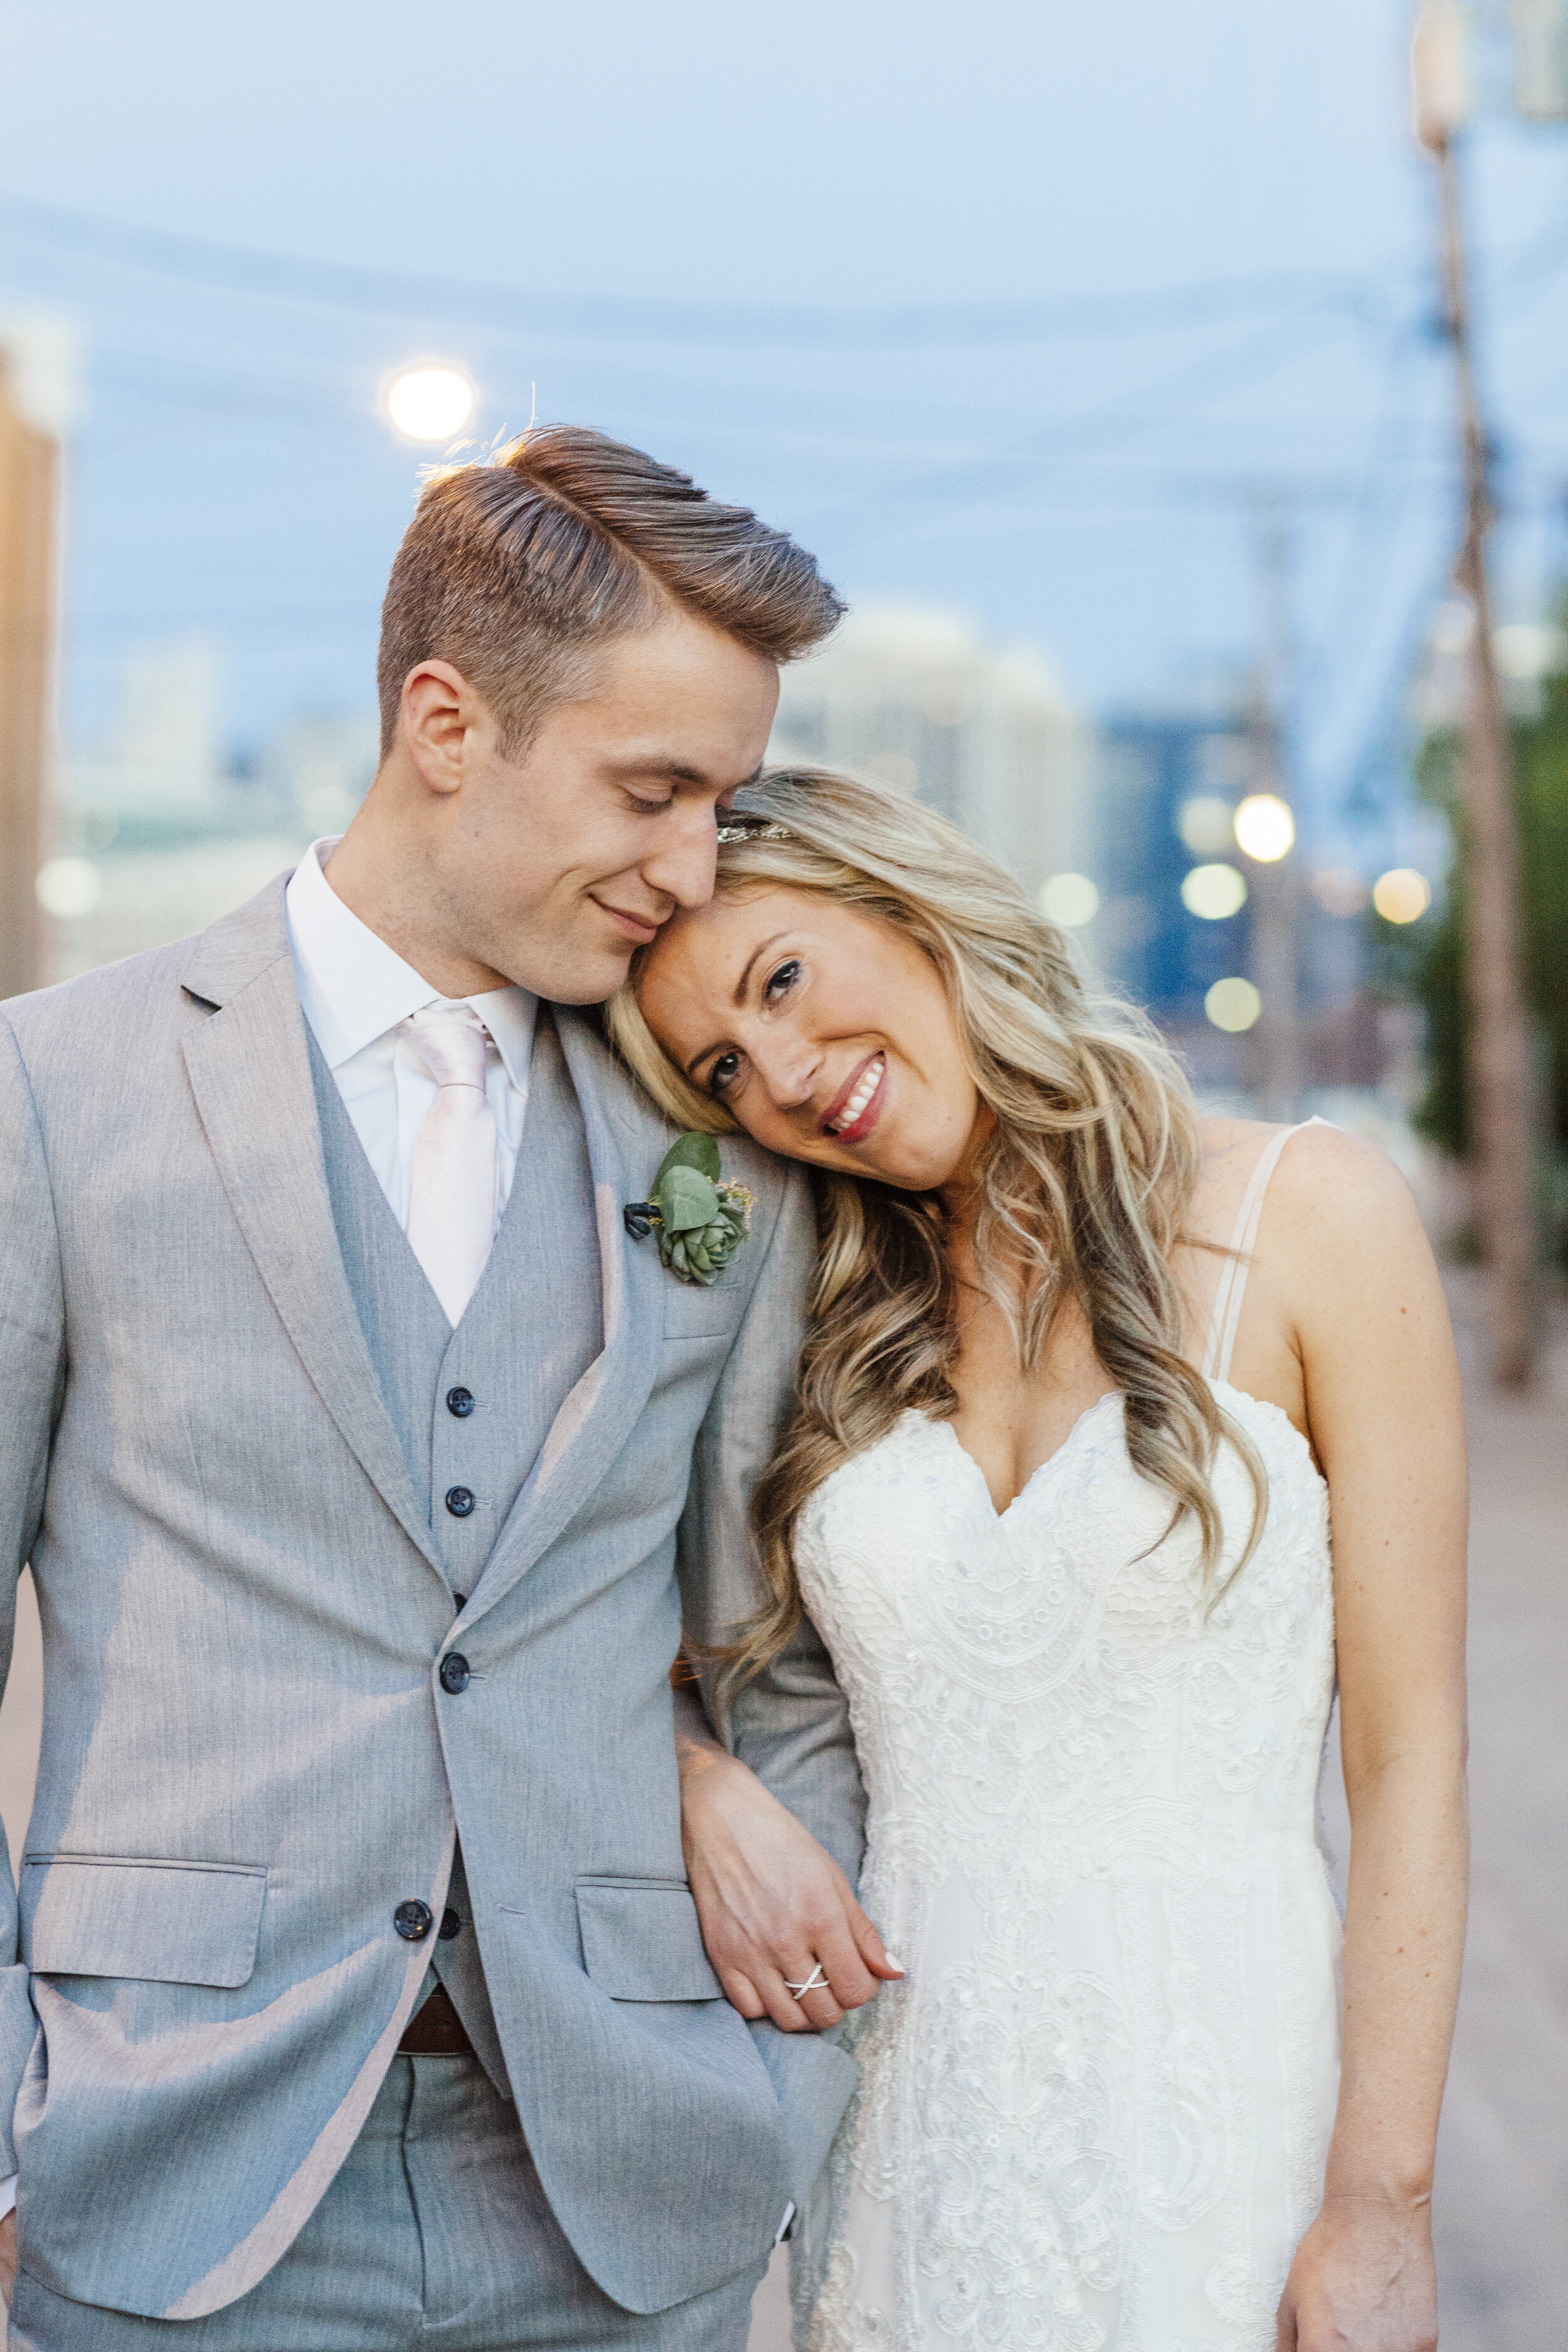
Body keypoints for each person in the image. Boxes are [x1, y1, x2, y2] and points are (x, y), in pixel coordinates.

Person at [0, 432, 896, 2351]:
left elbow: (785, 1642)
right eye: (651, 790)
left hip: (620, 2189)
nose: (689, 868)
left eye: (719, 806)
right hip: (169, 2175)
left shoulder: (717, 1137)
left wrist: (765, 2099)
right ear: (444, 719)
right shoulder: (52, 1094)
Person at [613, 768, 1470, 2352]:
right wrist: (692, 1778)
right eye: (723, 1066)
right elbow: (596, 1619)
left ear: (909, 903)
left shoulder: (1308, 1215)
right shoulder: (805, 1318)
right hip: (900, 2141)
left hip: (1215, 2124)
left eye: (782, 978)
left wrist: (1380, 2206)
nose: (786, 1076)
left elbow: (1409, 1756)